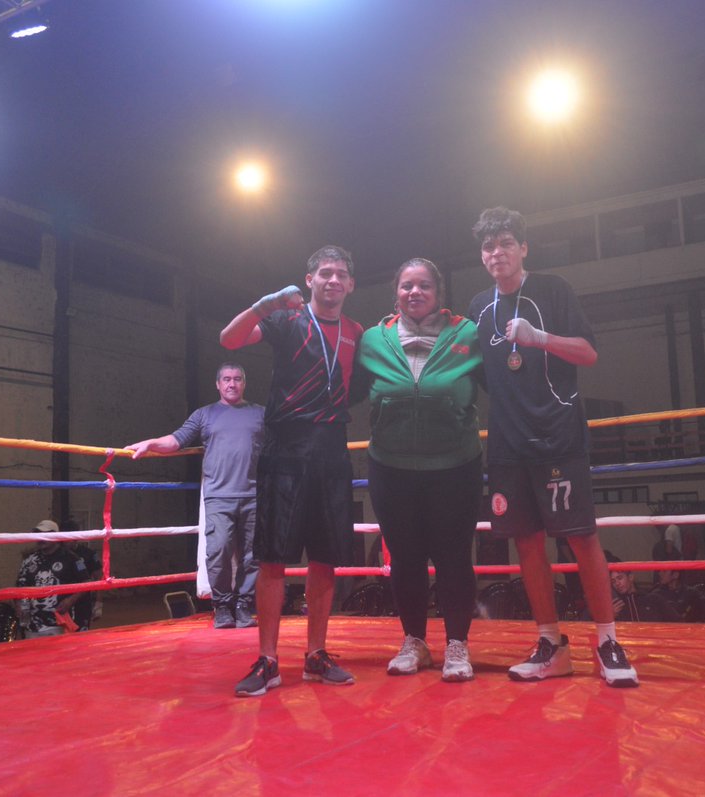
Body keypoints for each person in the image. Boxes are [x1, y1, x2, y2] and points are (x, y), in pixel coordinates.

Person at [467, 206, 638, 687]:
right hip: (507, 443)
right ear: (482, 256)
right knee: (526, 543)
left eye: (505, 243)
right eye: (488, 246)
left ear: (523, 248)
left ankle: (607, 641)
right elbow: (473, 368)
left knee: (582, 538)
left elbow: (588, 352)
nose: (496, 252)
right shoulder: (480, 306)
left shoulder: (553, 289)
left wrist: (540, 338)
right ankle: (550, 644)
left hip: (559, 436)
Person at [219, 245, 364, 696]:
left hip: (331, 450)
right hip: (285, 448)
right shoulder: (287, 320)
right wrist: (267, 303)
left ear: (351, 284)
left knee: (326, 557)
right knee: (273, 556)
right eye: (325, 272)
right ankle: (267, 660)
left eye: (341, 273)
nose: (333, 280)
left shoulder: (357, 331)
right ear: (309, 279)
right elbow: (230, 340)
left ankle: (316, 654)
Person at [352, 257, 483, 682]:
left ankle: (457, 644)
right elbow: (342, 387)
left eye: (424, 285)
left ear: (438, 293)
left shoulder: (467, 333)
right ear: (396, 293)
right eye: (407, 285)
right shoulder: (373, 339)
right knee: (405, 557)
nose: (415, 292)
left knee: (453, 557)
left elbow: (503, 383)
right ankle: (414, 640)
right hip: (391, 466)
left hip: (455, 465)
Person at [128, 363, 265, 630]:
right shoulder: (205, 414)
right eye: (226, 379)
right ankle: (222, 606)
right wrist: (150, 443)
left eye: (237, 379)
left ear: (244, 383)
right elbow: (176, 440)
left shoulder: (260, 414)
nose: (232, 384)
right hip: (218, 496)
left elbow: (282, 444)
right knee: (218, 551)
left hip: (254, 495)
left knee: (253, 555)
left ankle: (244, 605)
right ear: (218, 384)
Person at [15, 519, 90, 637]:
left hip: (58, 621)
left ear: (55, 536)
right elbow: (20, 585)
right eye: (38, 534)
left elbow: (87, 582)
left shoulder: (72, 558)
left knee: (58, 654)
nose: (41, 538)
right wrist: (19, 604)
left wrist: (70, 600)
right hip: (32, 623)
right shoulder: (29, 560)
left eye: (45, 534)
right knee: (33, 654)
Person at [597, 558, 680, 622]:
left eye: (620, 578)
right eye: (613, 581)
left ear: (630, 577)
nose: (617, 583)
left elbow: (678, 622)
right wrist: (609, 618)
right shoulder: (615, 607)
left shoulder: (653, 599)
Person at [62, 518, 103, 631]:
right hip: (62, 601)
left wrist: (99, 603)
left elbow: (99, 577)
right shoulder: (58, 554)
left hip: (82, 602)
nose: (67, 541)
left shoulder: (88, 554)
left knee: (81, 634)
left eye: (70, 538)